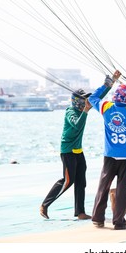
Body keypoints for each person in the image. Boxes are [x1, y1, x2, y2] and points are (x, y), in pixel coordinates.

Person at [88, 71, 126, 230]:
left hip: (109, 156)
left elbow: (92, 98)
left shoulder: (106, 107)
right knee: (123, 190)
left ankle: (98, 218)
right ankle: (119, 222)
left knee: (104, 187)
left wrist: (107, 84)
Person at [40, 89, 92, 220]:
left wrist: (109, 84)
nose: (86, 102)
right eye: (83, 99)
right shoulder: (71, 112)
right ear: (77, 100)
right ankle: (44, 205)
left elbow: (96, 96)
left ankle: (80, 212)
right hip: (68, 150)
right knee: (68, 181)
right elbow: (76, 125)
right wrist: (85, 111)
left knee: (81, 181)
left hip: (78, 150)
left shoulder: (81, 111)